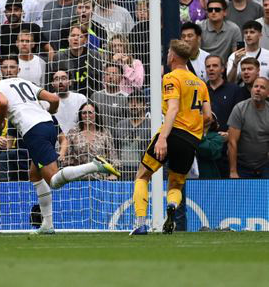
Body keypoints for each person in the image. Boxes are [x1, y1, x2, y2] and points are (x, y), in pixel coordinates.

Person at [0, 69, 119, 234]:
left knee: (53, 180)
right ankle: (47, 224)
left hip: (33, 131)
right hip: (48, 124)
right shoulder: (19, 81)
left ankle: (95, 165)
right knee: (35, 175)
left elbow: (2, 103)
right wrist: (52, 110)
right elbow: (53, 98)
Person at [130, 40, 212, 235]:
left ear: (173, 56)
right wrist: (199, 131)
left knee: (142, 175)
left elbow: (173, 108)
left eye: (168, 52)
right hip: (191, 140)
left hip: (172, 133)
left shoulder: (171, 77)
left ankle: (141, 223)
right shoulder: (200, 83)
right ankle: (172, 207)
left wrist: (162, 138)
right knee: (176, 182)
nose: (167, 55)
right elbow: (208, 116)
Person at [61, 102, 120, 180]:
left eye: (90, 113)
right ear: (80, 115)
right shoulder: (73, 133)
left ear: (96, 115)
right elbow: (67, 159)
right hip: (78, 180)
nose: (87, 116)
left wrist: (113, 174)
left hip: (101, 181)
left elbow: (112, 156)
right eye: (84, 113)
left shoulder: (104, 132)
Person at [227, 77, 269, 178]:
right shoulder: (240, 109)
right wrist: (233, 171)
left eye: (262, 87)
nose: (258, 89)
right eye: (256, 86)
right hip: (242, 166)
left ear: (268, 93)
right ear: (251, 90)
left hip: (264, 165)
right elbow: (232, 142)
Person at [113, 92, 151, 179]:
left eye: (137, 102)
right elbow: (114, 150)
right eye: (131, 102)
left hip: (145, 172)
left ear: (145, 105)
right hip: (123, 172)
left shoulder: (151, 125)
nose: (133, 105)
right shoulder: (120, 125)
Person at [90, 63, 129, 130]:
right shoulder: (95, 96)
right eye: (107, 74)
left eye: (114, 74)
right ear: (104, 77)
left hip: (118, 138)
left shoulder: (126, 98)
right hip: (98, 138)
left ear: (121, 77)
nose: (110, 77)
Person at [50, 70, 87, 135]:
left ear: (70, 82)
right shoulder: (47, 100)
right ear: (52, 83)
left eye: (63, 78)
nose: (60, 82)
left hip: (77, 141)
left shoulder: (81, 99)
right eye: (56, 79)